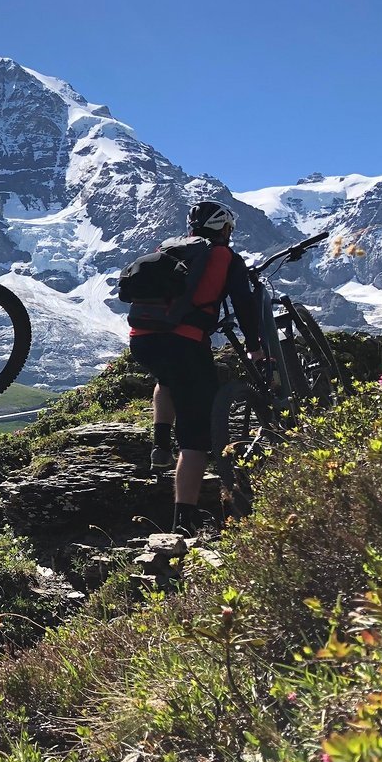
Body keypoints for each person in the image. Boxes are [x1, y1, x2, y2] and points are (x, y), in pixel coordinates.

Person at [129, 199, 263, 529]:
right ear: (224, 229)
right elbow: (243, 304)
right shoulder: (225, 256)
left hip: (142, 338)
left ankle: (160, 443)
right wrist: (255, 346)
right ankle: (184, 521)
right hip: (185, 342)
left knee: (167, 378)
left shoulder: (170, 249)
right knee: (195, 439)